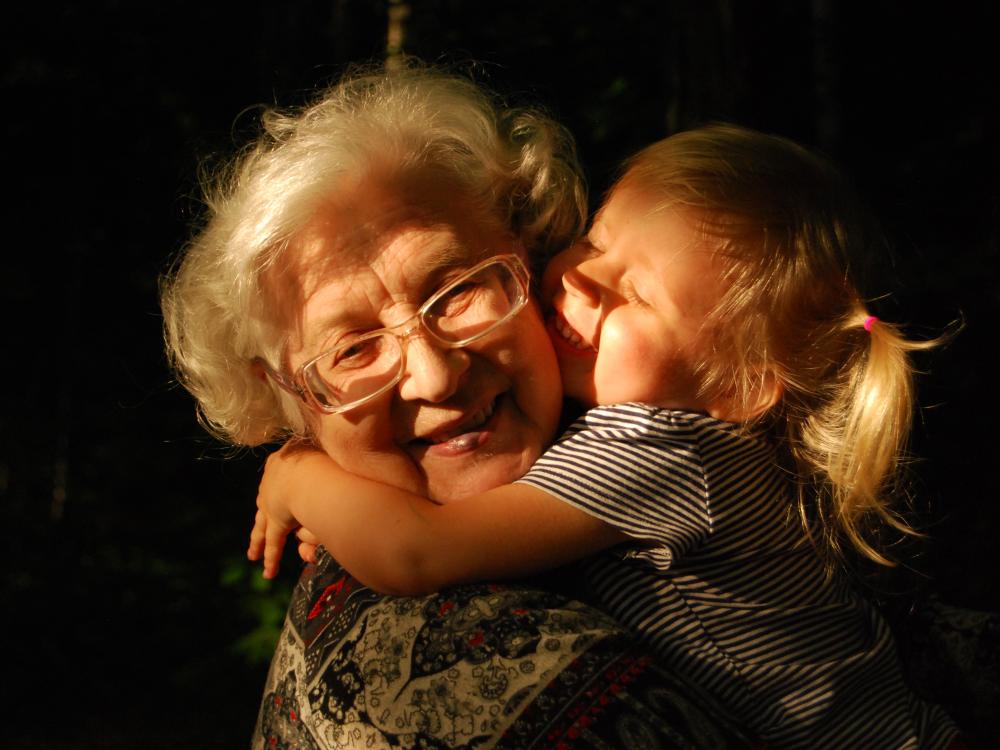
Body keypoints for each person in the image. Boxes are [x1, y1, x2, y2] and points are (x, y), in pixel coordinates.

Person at [250, 124, 962, 748]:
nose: (585, 281)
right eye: (594, 241)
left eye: (639, 297)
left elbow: (416, 549)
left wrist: (299, 475)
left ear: (738, 388)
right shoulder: (647, 431)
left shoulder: (664, 450)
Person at [161, 62, 755, 749]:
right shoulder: (461, 663)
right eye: (353, 350)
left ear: (530, 261)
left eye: (458, 291)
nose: (436, 377)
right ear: (292, 402)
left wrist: (303, 477)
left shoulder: (663, 430)